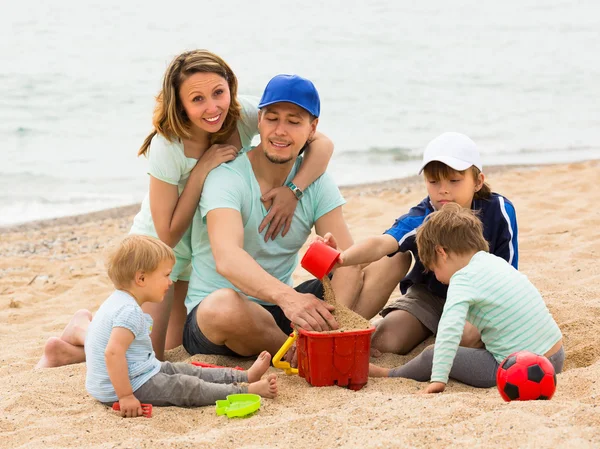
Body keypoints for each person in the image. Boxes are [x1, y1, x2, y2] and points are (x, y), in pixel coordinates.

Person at [37, 49, 334, 367]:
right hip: (159, 250)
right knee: (145, 356)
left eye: (218, 93)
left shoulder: (239, 112)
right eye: (197, 99)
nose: (212, 107)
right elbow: (167, 234)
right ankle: (84, 326)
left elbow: (322, 144)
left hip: (199, 252)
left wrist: (293, 189)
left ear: (229, 88)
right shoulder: (167, 146)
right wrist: (200, 172)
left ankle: (66, 353)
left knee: (169, 346)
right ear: (180, 104)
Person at [182, 74, 363, 358]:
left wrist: (331, 259)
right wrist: (289, 298)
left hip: (281, 314)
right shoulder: (226, 177)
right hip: (220, 317)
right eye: (272, 119)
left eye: (293, 122)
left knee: (380, 264)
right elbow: (227, 258)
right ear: (259, 121)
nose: (280, 131)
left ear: (312, 128)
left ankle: (331, 337)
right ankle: (305, 351)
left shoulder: (315, 181)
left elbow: (350, 260)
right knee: (223, 306)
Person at [321, 132, 519, 355]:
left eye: (454, 180)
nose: (443, 189)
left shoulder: (499, 210)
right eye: (433, 181)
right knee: (384, 343)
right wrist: (342, 258)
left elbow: (508, 273)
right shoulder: (424, 215)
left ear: (478, 181)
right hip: (430, 297)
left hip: (481, 299)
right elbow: (381, 244)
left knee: (465, 338)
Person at [369, 203, 563, 393]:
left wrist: (438, 378)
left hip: (515, 368)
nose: (436, 276)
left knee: (432, 353)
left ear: (441, 252)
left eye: (433, 268)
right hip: (554, 355)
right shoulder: (494, 262)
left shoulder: (462, 279)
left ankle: (391, 373)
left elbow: (449, 330)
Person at [85, 234, 277, 418]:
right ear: (141, 279)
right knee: (184, 386)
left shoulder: (118, 301)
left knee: (187, 371)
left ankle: (245, 377)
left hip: (139, 371)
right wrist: (126, 396)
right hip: (128, 385)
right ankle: (247, 389)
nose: (170, 282)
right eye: (166, 275)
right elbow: (112, 353)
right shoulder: (129, 311)